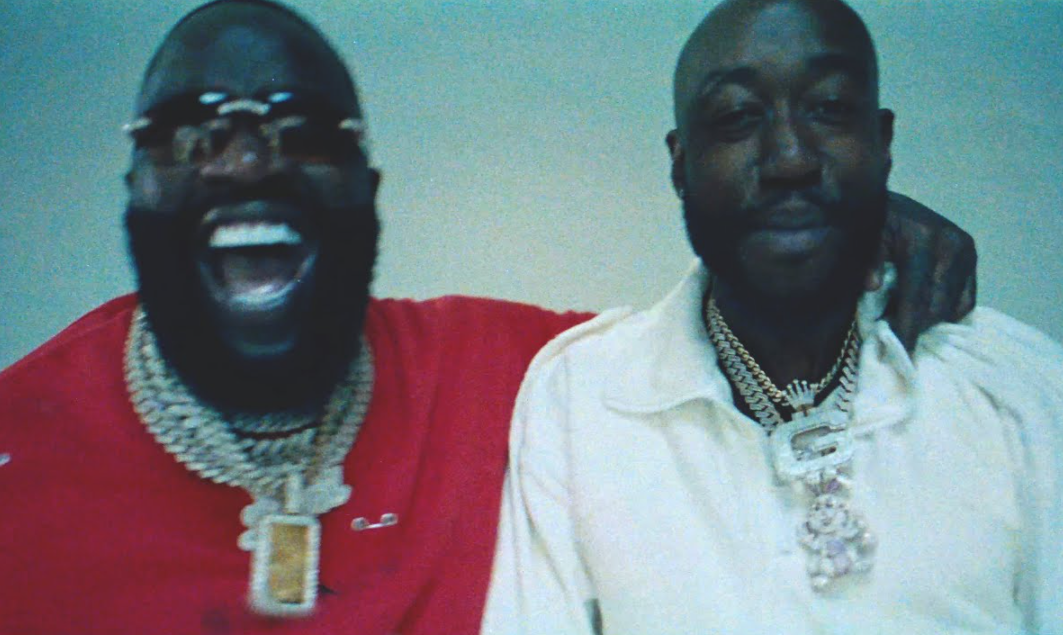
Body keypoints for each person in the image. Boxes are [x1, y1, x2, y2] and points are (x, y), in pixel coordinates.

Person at [0, 1, 976, 633]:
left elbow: (722, 341)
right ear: (131, 188)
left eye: (302, 130)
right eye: (190, 133)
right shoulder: (19, 454)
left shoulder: (519, 379)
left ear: (368, 192)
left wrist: (827, 228)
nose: (248, 162)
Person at [483, 1, 1063, 634]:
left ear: (882, 143)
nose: (790, 158)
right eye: (737, 115)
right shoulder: (582, 402)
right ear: (680, 164)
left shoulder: (1015, 390)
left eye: (830, 108)